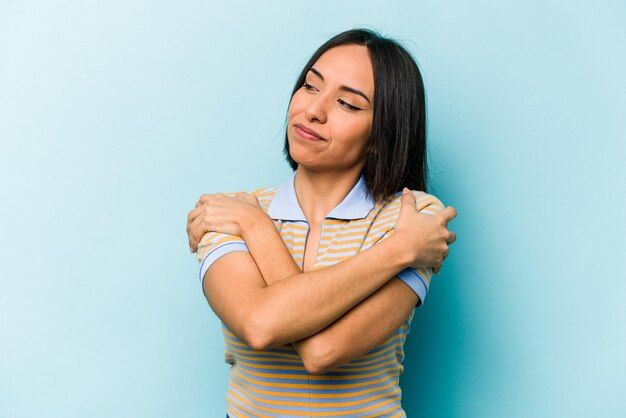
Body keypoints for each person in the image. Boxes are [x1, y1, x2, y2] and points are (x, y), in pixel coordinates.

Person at [186, 28, 457, 418]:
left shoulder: (415, 217)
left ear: (383, 134)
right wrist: (398, 250)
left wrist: (256, 230)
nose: (314, 110)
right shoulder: (235, 211)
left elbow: (323, 351)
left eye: (348, 103)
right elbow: (259, 324)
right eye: (311, 87)